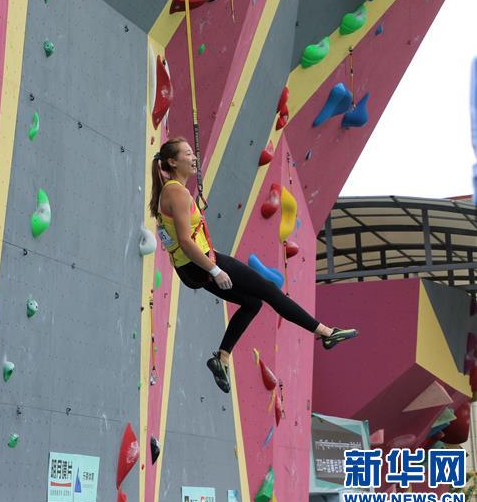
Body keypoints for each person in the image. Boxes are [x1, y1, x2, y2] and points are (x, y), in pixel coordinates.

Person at [149, 138, 357, 394]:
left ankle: (222, 358)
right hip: (201, 263)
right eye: (188, 153)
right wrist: (215, 270)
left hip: (192, 267)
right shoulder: (176, 192)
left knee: (253, 303)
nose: (194, 158)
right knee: (269, 290)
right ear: (172, 161)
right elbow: (184, 240)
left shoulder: (172, 190)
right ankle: (325, 332)